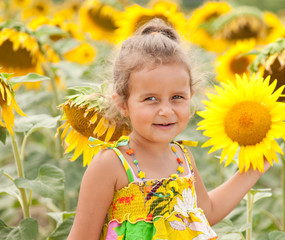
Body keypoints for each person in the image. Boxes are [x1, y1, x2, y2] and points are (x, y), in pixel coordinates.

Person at [67, 18, 271, 240]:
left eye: (177, 97)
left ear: (190, 97)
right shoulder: (111, 165)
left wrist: (251, 171)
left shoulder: (182, 158)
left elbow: (206, 212)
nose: (166, 110)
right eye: (151, 99)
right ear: (123, 104)